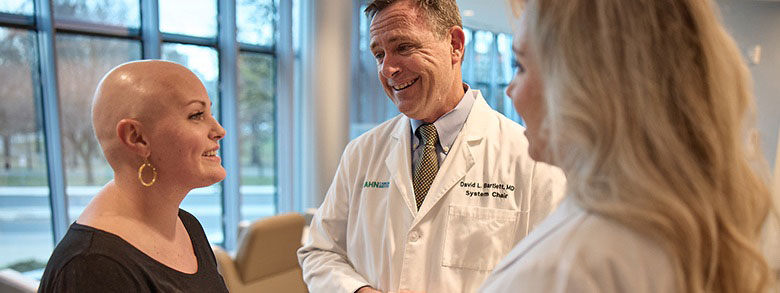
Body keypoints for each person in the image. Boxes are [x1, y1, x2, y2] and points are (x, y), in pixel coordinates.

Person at [480, 0, 774, 292]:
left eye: (520, 66)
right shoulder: (685, 229)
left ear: (584, 83)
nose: (510, 91)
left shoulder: (565, 271)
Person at [297, 0, 566, 292]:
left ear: (455, 44)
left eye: (403, 47)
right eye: (378, 54)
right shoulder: (361, 153)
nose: (388, 69)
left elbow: (555, 279)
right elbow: (319, 251)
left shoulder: (533, 161)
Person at [38, 60, 229, 292]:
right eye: (196, 115)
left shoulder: (187, 225)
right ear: (137, 137)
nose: (219, 131)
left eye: (209, 112)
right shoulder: (93, 267)